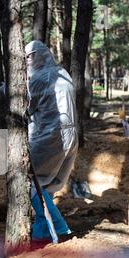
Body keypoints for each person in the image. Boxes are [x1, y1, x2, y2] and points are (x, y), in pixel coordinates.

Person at [25, 40, 77, 241]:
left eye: (28, 58)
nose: (26, 63)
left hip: (51, 135)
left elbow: (26, 106)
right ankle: (43, 229)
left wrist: (7, 91)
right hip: (71, 133)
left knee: (33, 182)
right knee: (48, 185)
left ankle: (60, 229)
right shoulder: (62, 73)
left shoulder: (39, 78)